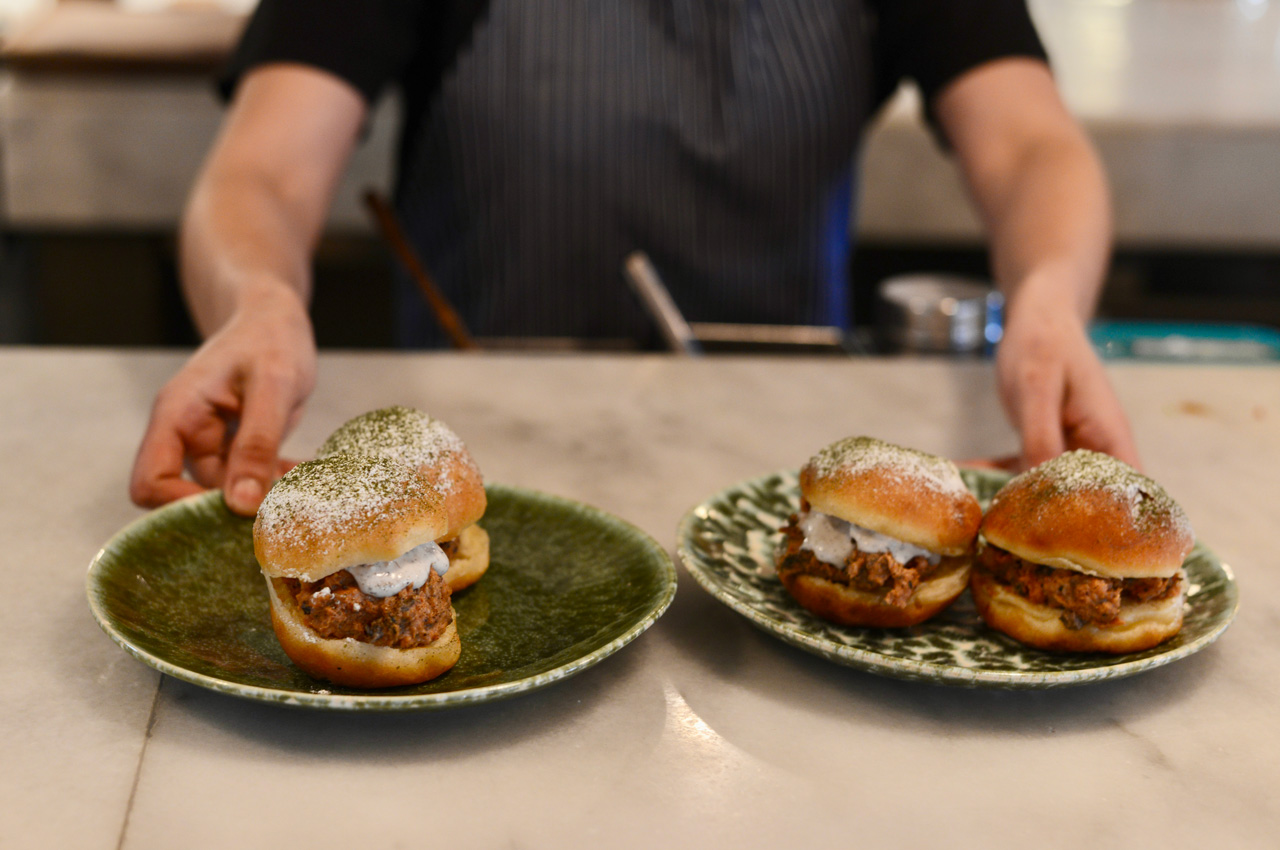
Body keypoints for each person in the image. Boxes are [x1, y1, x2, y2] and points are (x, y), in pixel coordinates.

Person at [129, 0, 1140, 516]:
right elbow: (260, 173)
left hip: (796, 490)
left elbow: (1029, 146)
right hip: (470, 476)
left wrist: (1046, 300)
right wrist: (257, 298)